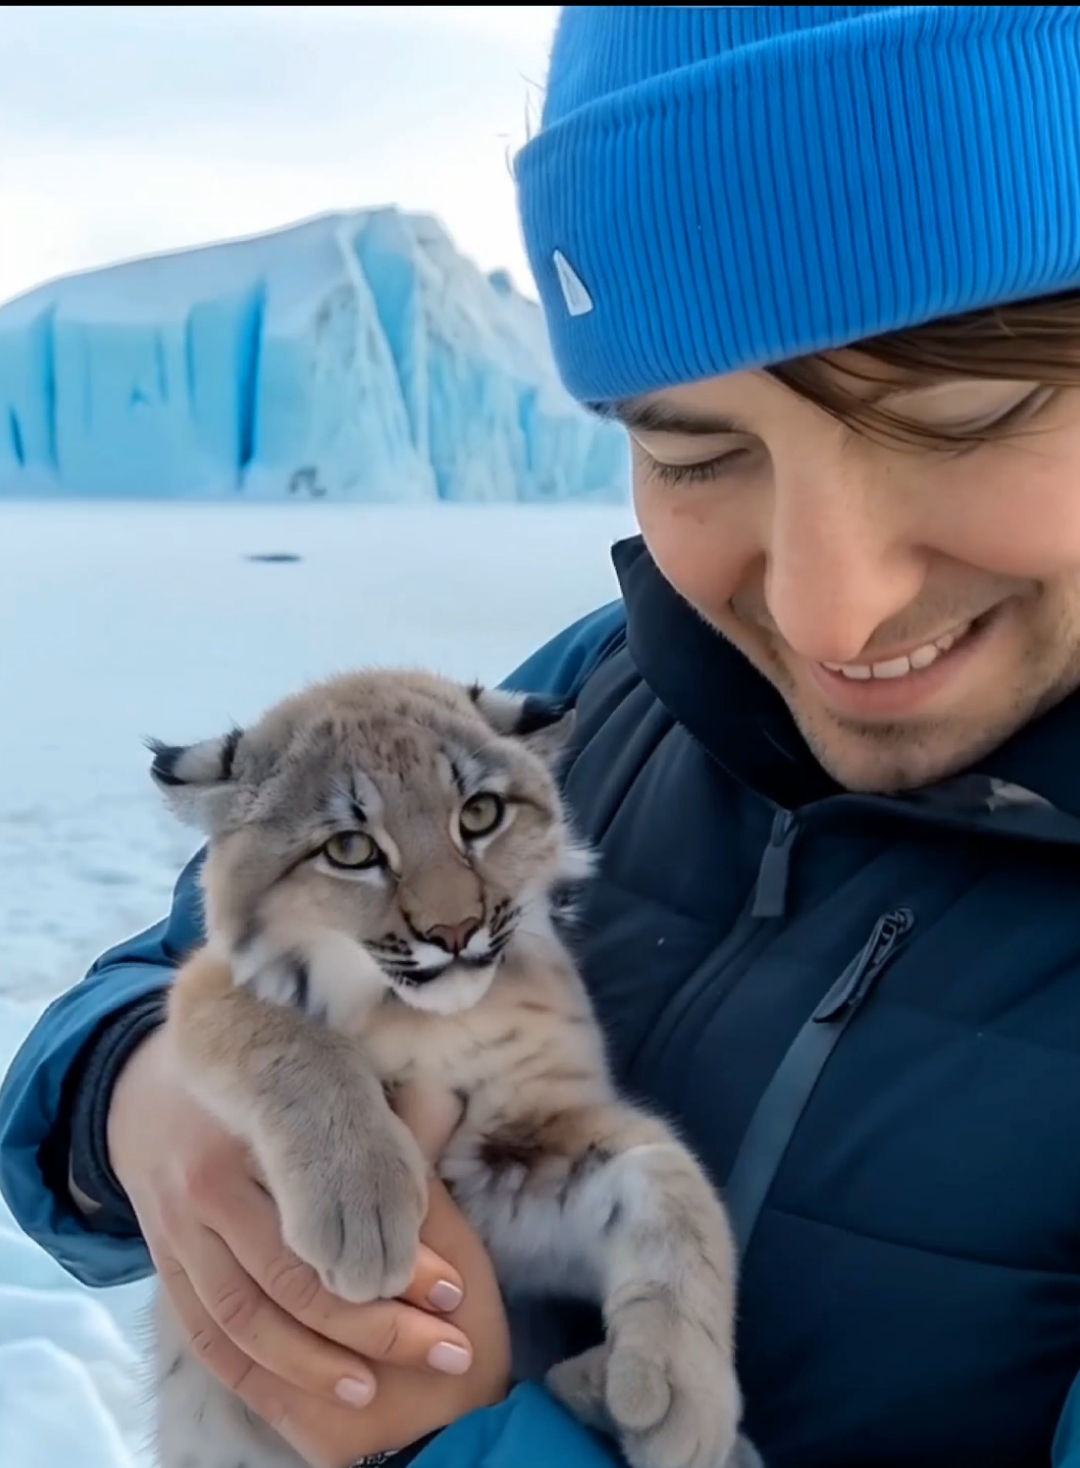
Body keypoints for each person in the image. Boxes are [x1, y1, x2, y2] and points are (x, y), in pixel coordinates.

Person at [8, 4, 1080, 1465]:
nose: (832, 615)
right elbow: (198, 939)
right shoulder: (618, 689)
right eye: (692, 450)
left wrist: (455, 1444)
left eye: (962, 417)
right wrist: (149, 1087)